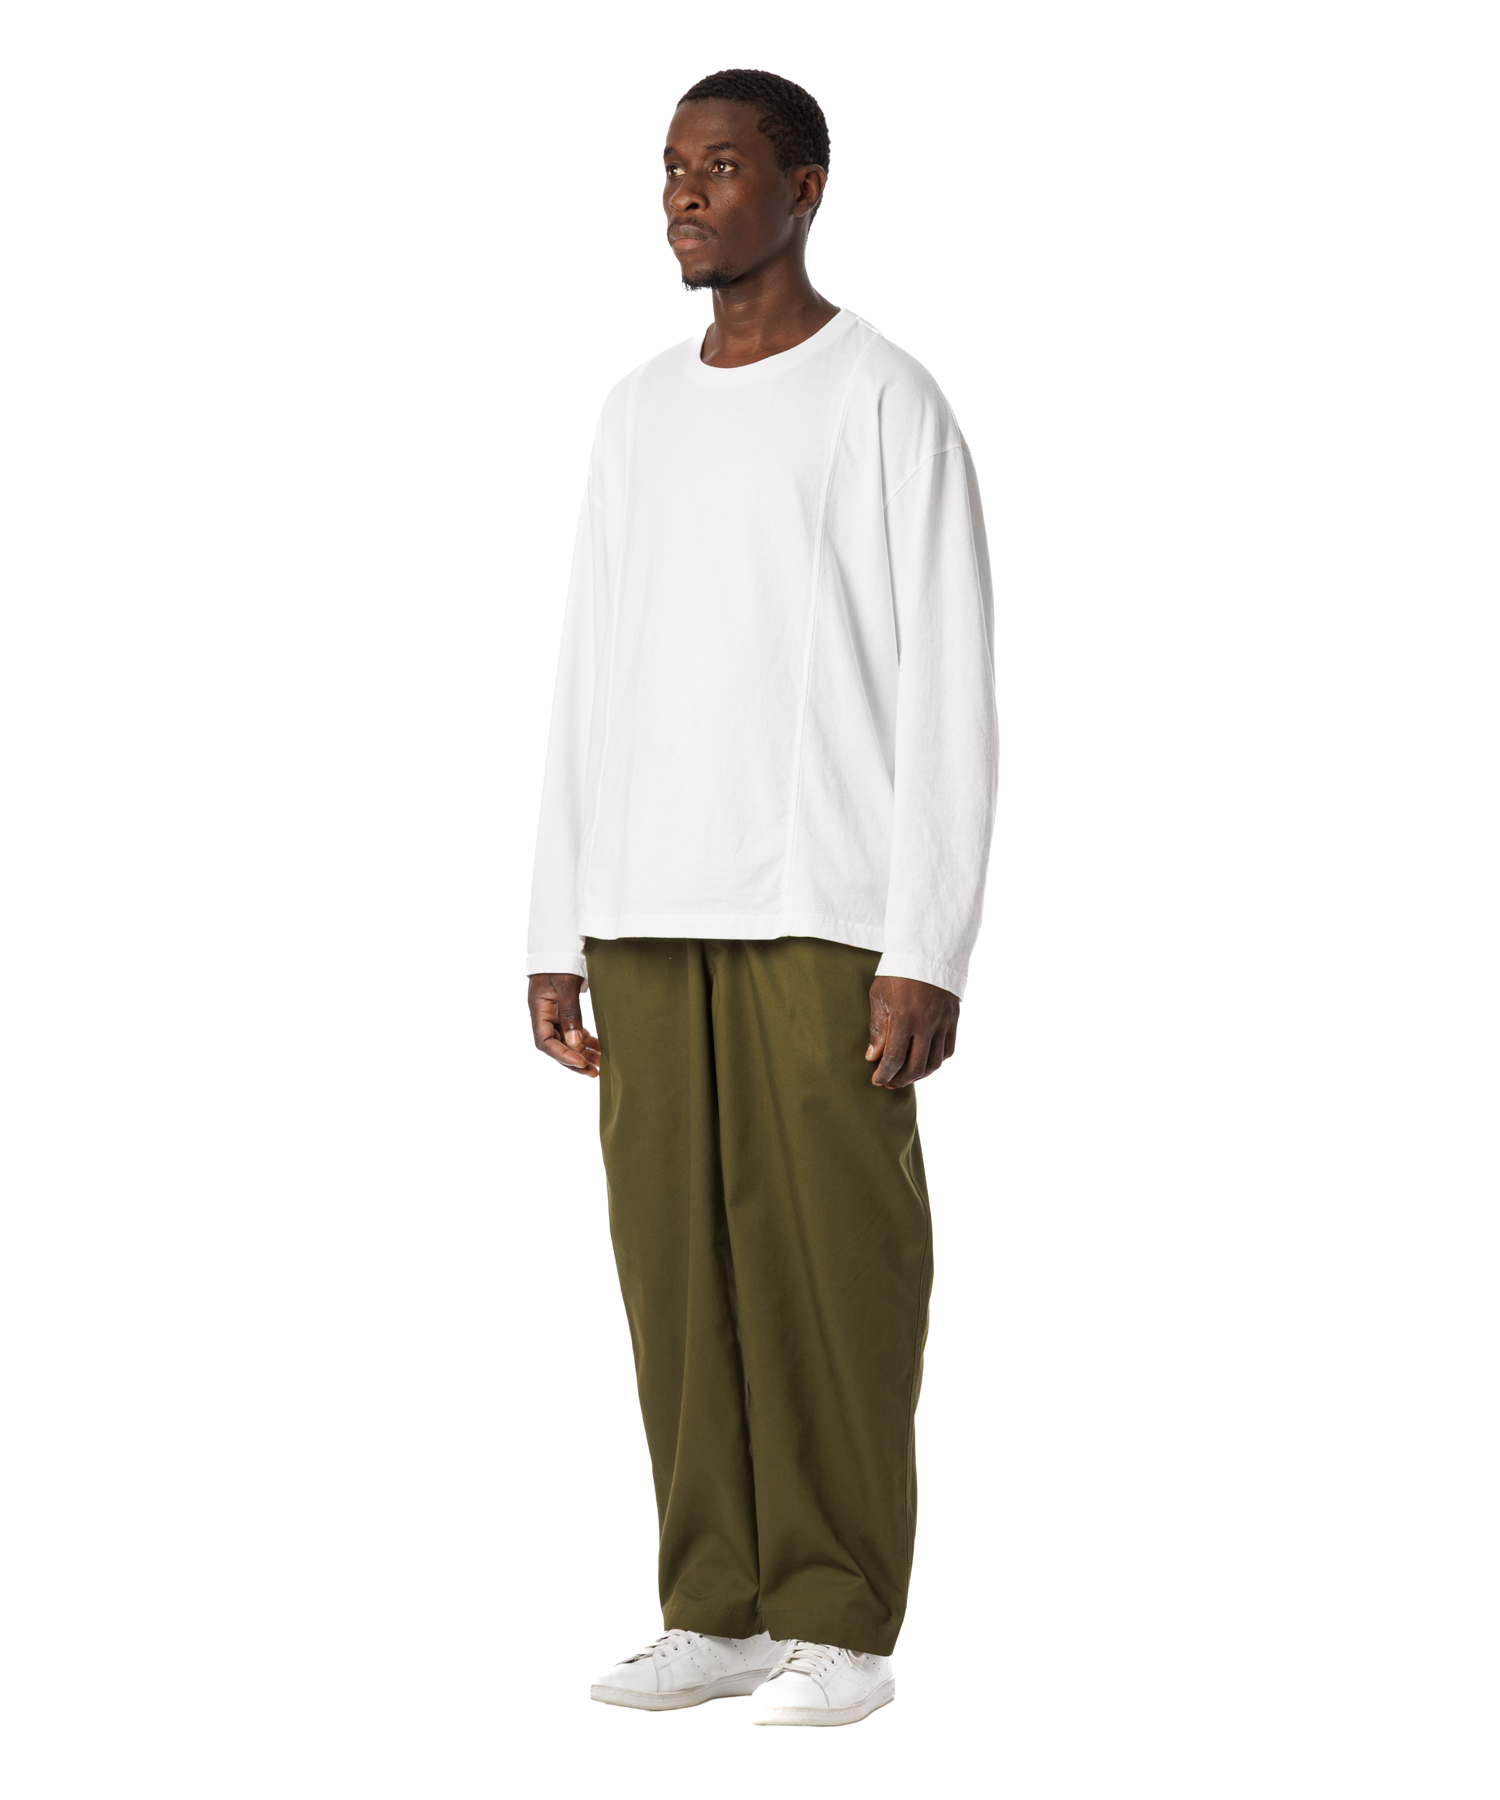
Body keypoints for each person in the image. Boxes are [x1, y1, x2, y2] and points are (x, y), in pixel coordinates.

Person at [526, 67, 997, 1728]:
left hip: (824, 908)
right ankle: (713, 1604)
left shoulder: (885, 401)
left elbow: (950, 686)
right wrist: (554, 924)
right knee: (676, 1270)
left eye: (720, 165)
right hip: (644, 904)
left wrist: (927, 943)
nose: (684, 192)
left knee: (836, 1268)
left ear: (804, 187)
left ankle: (839, 1618)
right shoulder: (636, 413)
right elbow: (589, 668)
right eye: (672, 166)